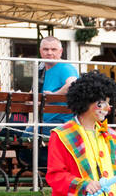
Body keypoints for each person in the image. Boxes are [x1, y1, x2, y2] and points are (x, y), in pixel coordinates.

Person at [23, 36, 78, 170]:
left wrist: (54, 95)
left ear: (61, 52)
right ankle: (51, 169)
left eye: (54, 49)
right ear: (41, 51)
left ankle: (53, 169)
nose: (49, 53)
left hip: (62, 124)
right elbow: (32, 95)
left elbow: (73, 84)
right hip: (44, 123)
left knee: (23, 138)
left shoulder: (65, 67)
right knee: (21, 137)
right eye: (46, 49)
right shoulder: (41, 71)